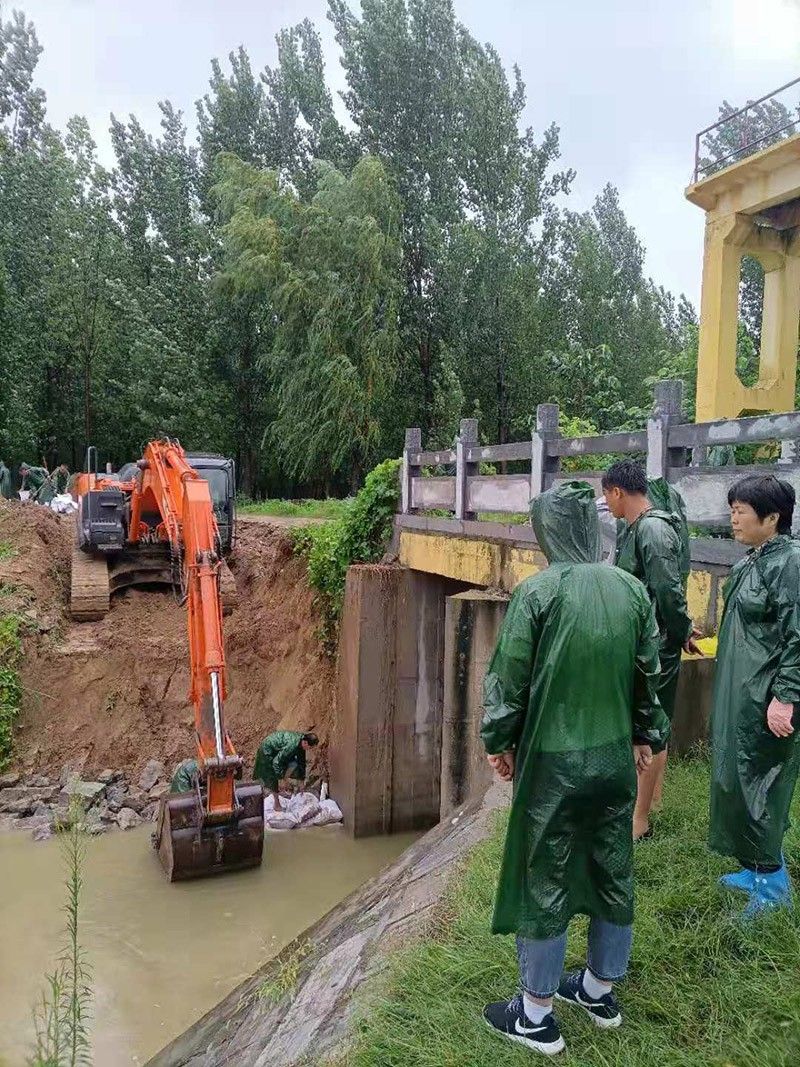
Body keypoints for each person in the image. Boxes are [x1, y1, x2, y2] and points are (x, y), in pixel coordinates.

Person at [481, 481, 668, 1058]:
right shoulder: (631, 589)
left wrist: (500, 741)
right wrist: (644, 734)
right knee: (613, 864)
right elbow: (648, 673)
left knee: (548, 873)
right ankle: (598, 991)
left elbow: (510, 681)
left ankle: (535, 1014)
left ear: (548, 531)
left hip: (555, 762)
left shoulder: (538, 593)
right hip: (614, 758)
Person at [710, 474, 800, 916]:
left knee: (766, 782)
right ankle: (754, 864)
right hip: (741, 693)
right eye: (732, 511)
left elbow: (797, 635)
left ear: (772, 517)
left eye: (740, 511)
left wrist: (785, 697)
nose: (733, 520)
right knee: (739, 777)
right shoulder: (754, 559)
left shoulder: (790, 563)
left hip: (768, 696)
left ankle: (772, 885)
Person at [602, 460, 701, 840]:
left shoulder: (653, 530)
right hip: (648, 643)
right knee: (651, 723)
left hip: (656, 646)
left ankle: (640, 820)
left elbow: (667, 591)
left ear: (617, 492)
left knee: (651, 726)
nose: (606, 504)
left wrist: (678, 634)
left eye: (607, 495)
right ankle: (651, 799)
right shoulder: (636, 528)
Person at [253, 730, 319, 811]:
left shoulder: (301, 742)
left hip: (278, 751)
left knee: (294, 764)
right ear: (305, 743)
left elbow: (301, 762)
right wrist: (280, 780)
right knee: (272, 774)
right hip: (267, 751)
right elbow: (276, 762)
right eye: (311, 747)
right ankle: (276, 804)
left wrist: (301, 781)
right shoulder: (292, 746)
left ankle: (286, 783)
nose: (310, 749)